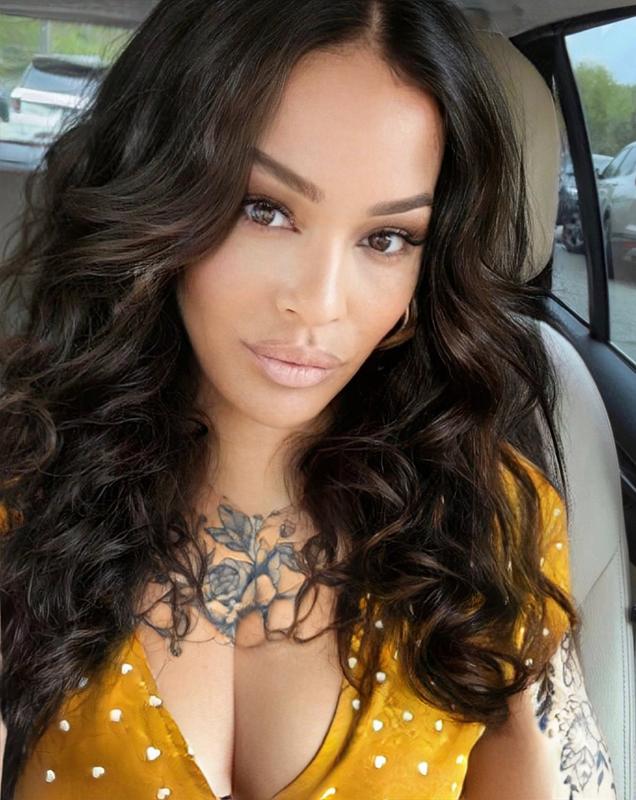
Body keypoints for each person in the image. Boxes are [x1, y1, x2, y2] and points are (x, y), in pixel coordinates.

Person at [0, 1, 617, 799]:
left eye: (385, 238)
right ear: (161, 194)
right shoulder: (23, 479)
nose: (320, 304)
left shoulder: (489, 517)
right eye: (264, 209)